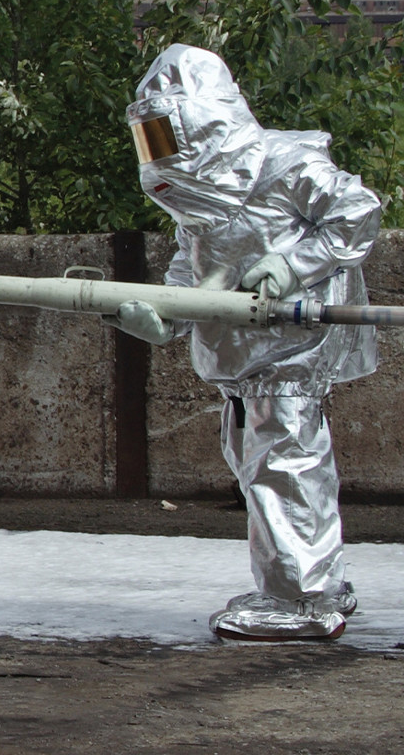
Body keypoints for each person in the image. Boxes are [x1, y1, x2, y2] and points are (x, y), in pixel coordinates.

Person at [110, 43, 381, 641]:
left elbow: (357, 213)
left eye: (166, 130)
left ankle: (301, 601)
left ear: (203, 120)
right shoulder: (198, 197)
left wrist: (291, 264)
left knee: (283, 464)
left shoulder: (285, 166)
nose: (159, 148)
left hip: (289, 350)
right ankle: (315, 581)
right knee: (263, 461)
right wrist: (168, 318)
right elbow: (194, 262)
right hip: (244, 355)